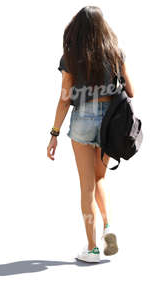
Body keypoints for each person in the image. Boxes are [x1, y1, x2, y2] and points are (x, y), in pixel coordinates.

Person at [47, 6, 134, 263]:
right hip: (110, 121)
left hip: (84, 119)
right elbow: (131, 90)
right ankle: (108, 226)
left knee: (86, 186)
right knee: (99, 179)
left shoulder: (71, 56)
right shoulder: (115, 52)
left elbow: (64, 99)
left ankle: (93, 249)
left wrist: (54, 134)